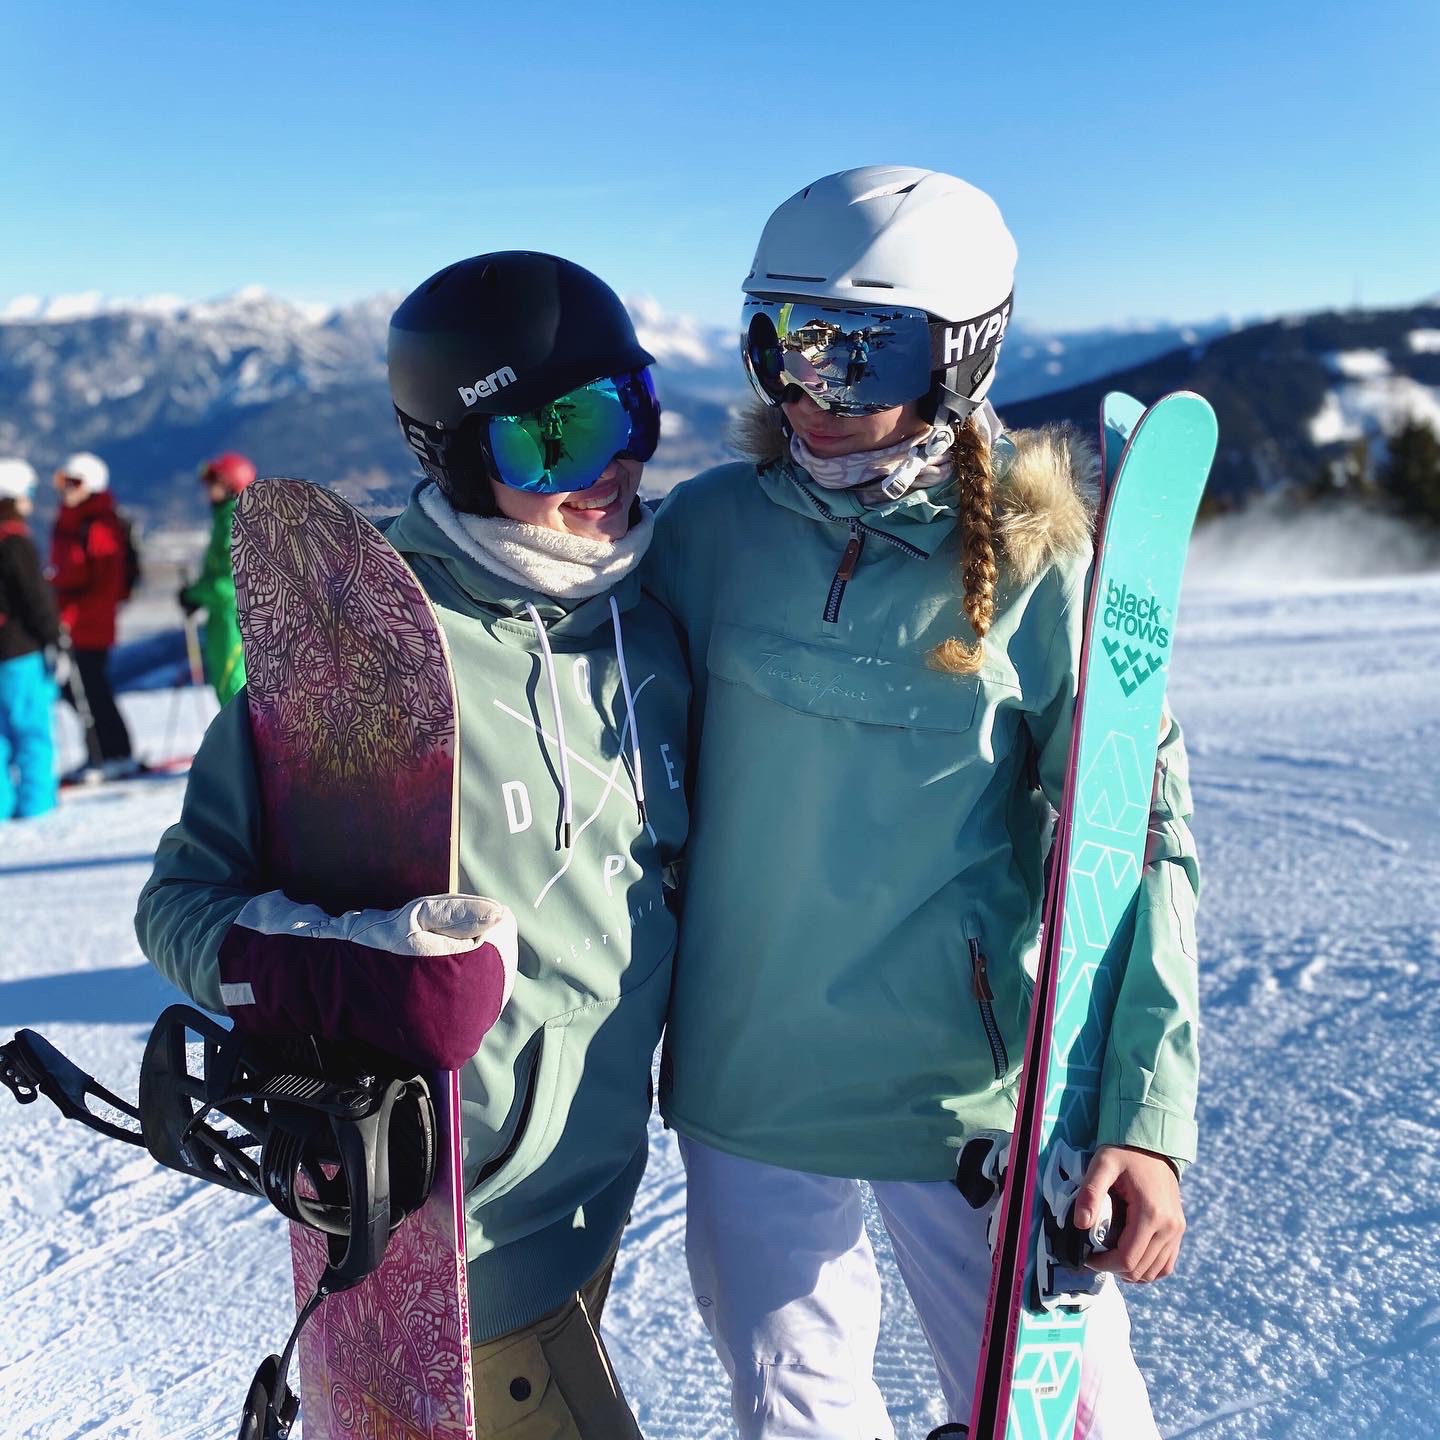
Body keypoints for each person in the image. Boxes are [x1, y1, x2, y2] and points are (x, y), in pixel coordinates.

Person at [644, 166, 1200, 1439]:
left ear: (964, 356)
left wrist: (1143, 1115)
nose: (810, 394)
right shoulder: (709, 532)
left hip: (970, 1097)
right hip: (752, 1081)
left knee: (1075, 1420)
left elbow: (1137, 836)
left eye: (862, 357)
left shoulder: (1046, 566)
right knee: (797, 1416)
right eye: (783, 346)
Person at [135, 252, 689, 1439]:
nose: (612, 464)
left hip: (597, 1196)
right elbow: (178, 902)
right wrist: (336, 971)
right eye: (555, 439)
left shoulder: (648, 627)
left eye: (630, 410)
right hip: (454, 1237)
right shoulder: (361, 664)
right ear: (459, 451)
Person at [49, 450, 139, 781]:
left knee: (91, 690)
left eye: (74, 482)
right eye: (63, 481)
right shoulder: (69, 520)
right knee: (78, 689)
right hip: (71, 620)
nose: (66, 488)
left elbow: (106, 585)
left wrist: (69, 617)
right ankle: (100, 752)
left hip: (90, 623)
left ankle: (114, 753)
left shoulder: (100, 525)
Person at [0, 458, 62, 818]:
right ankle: (37, 807)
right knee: (32, 732)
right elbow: (34, 598)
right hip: (19, 651)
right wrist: (54, 636)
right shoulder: (15, 543)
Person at [178, 451, 254, 704]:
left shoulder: (234, 522)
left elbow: (230, 584)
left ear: (231, 484)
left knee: (234, 690)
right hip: (221, 619)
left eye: (214, 481)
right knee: (226, 688)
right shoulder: (224, 520)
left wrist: (194, 595)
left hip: (231, 621)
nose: (208, 488)